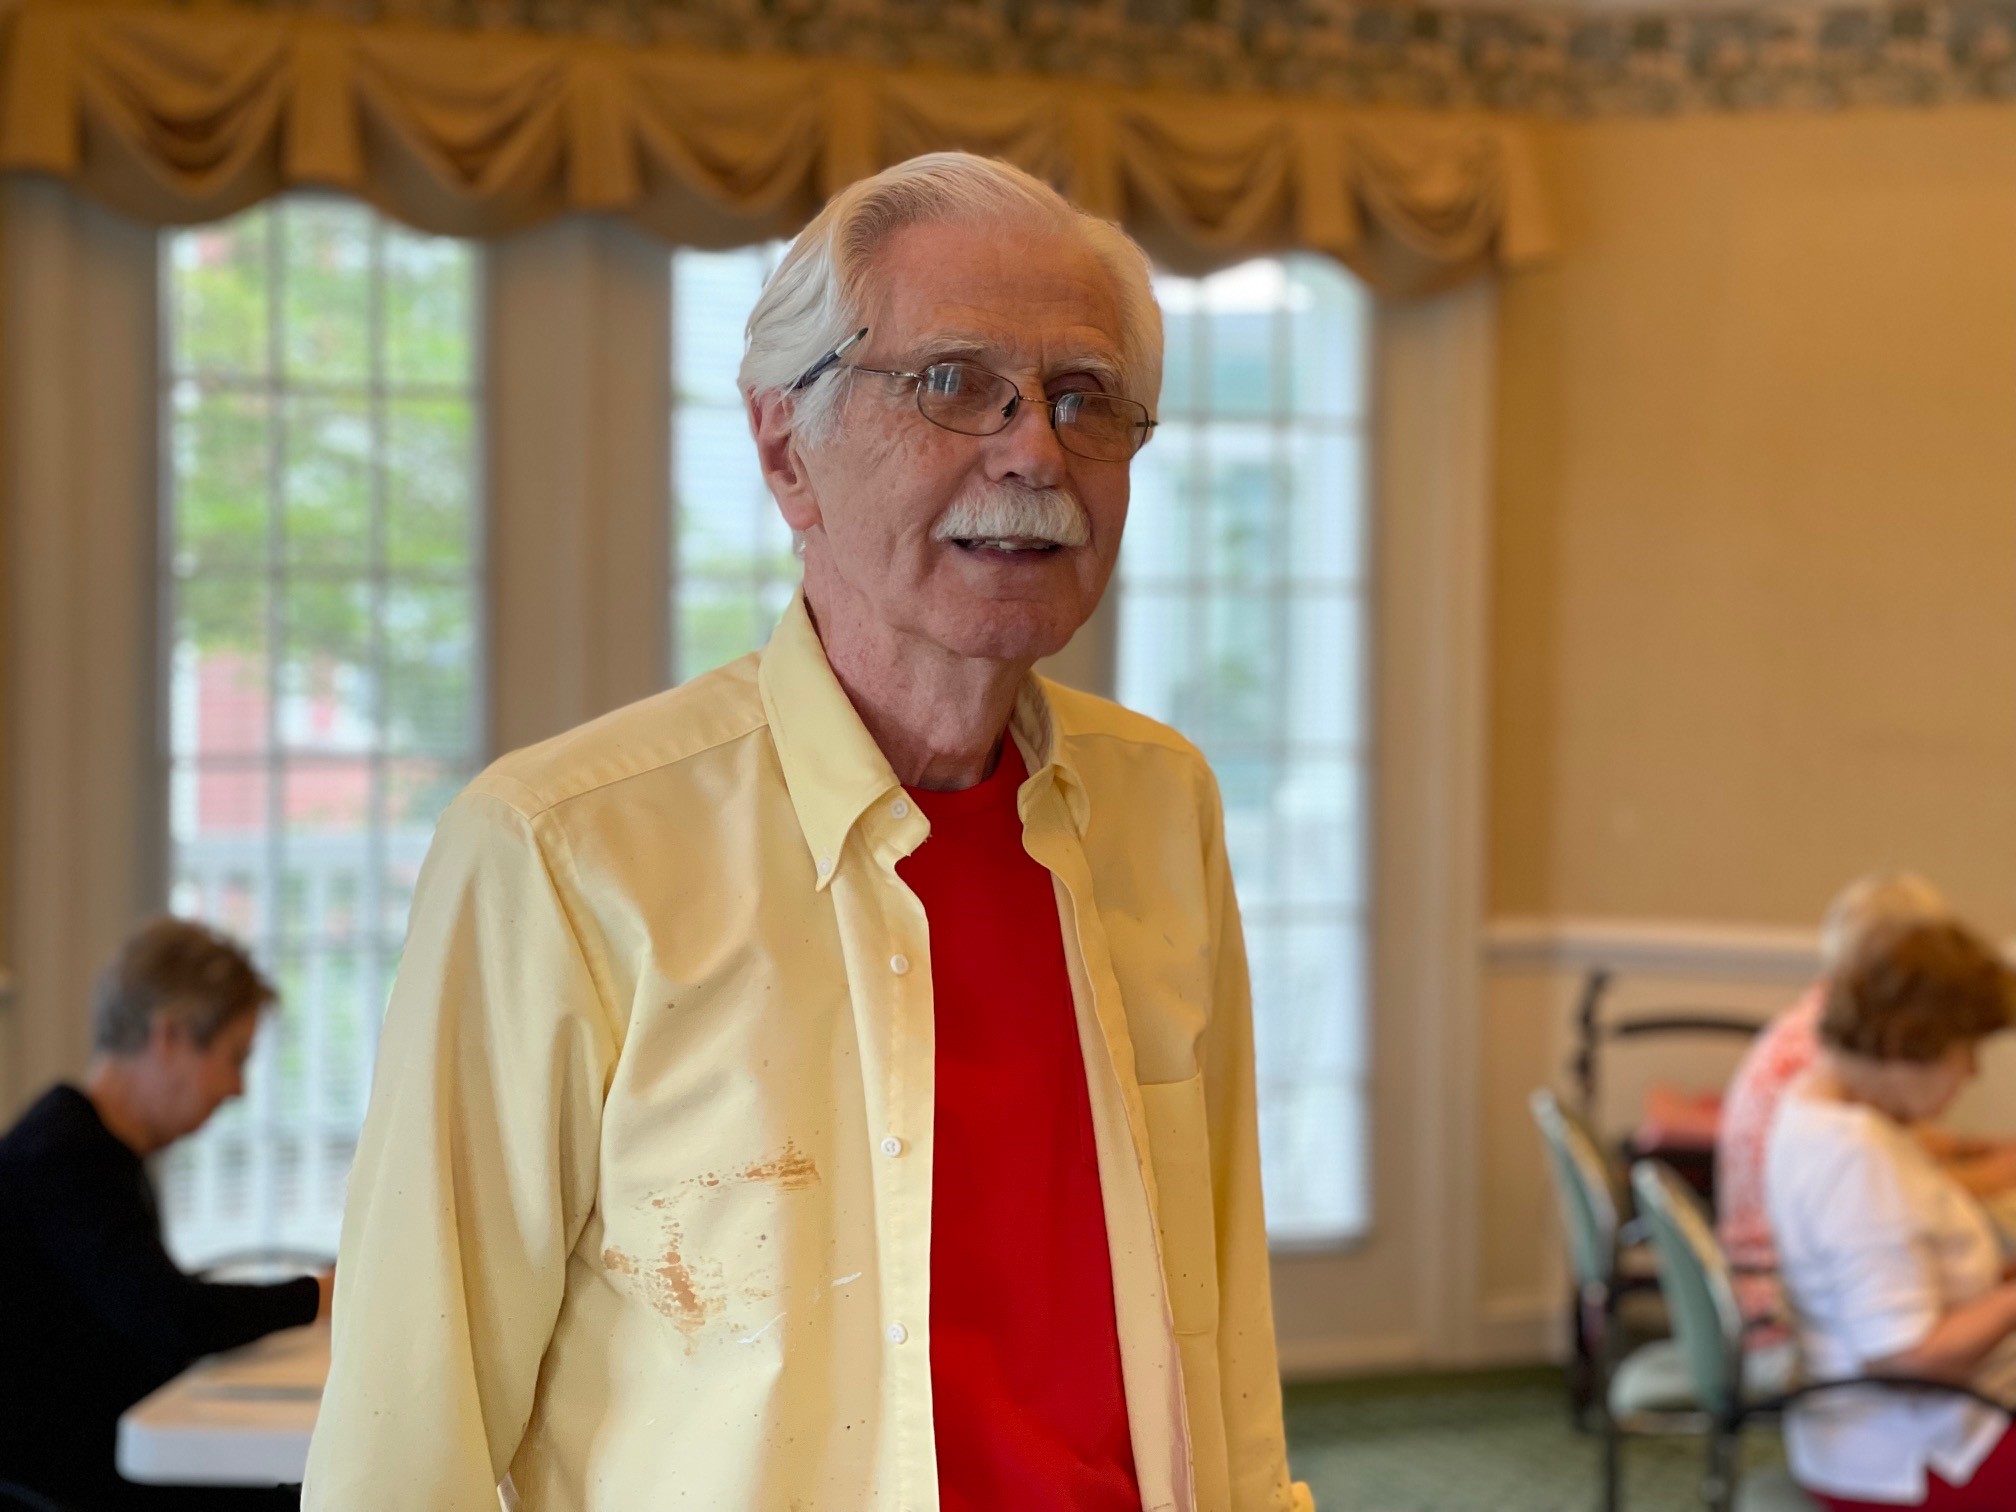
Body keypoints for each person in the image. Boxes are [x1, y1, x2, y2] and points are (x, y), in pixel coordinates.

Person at [304, 152, 1311, 1512]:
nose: (1034, 450)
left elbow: (1224, 1349)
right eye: (956, 384)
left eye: (1087, 400)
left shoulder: (1161, 806)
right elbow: (400, 1447)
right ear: (787, 449)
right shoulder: (559, 852)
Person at [0, 918, 330, 1512]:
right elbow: (173, 1317)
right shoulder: (61, 1155)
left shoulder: (91, 1149)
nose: (237, 1089)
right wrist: (321, 1296)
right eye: (235, 1057)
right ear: (171, 1037)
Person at [1766, 918, 2016, 1510]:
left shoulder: (1815, 1101)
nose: (1973, 1073)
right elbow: (1907, 1360)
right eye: (1965, 1052)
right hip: (1917, 1459)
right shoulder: (1855, 1157)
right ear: (1907, 1048)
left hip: (1864, 1434)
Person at [1716, 874, 2016, 1325]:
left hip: (1804, 1289)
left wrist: (1977, 1150)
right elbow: (1886, 1190)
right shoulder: (1834, 1094)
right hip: (1781, 1311)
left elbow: (1907, 1157)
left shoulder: (1828, 1052)